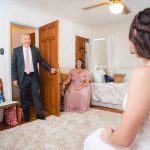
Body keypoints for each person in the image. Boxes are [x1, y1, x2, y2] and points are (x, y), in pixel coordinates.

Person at [84, 8, 150, 150]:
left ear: (135, 35)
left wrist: (107, 135)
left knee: (92, 139)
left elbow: (124, 140)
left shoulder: (143, 74)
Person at [11, 33, 56, 122]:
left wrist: (50, 68)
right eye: (25, 39)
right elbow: (13, 66)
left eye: (28, 39)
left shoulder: (35, 50)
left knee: (36, 95)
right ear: (22, 40)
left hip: (34, 76)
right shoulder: (16, 51)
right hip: (23, 77)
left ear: (30, 40)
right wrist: (14, 78)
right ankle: (26, 115)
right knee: (24, 97)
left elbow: (41, 61)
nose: (27, 41)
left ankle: (39, 114)